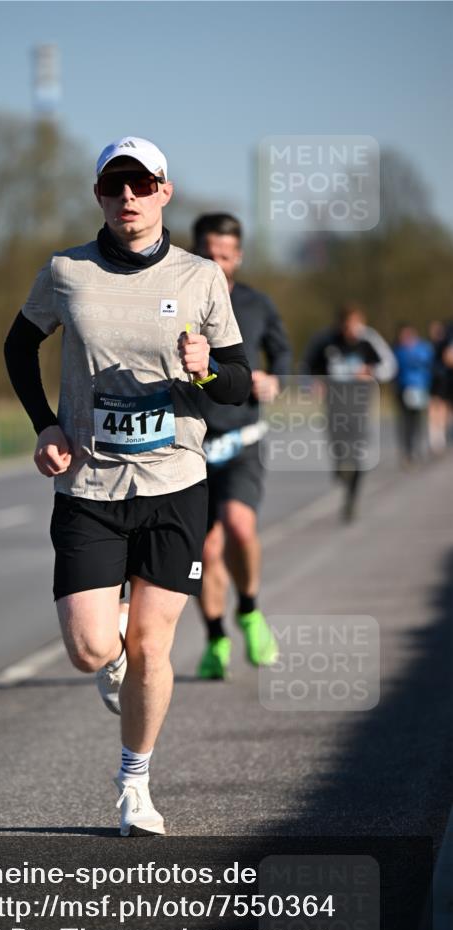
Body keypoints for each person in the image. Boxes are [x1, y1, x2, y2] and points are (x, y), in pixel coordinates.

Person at [4, 137, 251, 836]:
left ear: (165, 192)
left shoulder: (202, 277)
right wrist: (45, 425)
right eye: (115, 187)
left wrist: (204, 368)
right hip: (87, 483)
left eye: (142, 185)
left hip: (175, 481)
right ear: (99, 197)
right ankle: (107, 658)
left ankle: (133, 785)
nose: (128, 199)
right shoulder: (65, 272)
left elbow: (234, 384)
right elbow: (19, 346)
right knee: (90, 648)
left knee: (151, 645)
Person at [191, 214, 291, 680]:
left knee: (239, 526)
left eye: (226, 255)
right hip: (189, 443)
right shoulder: (175, 298)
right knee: (205, 552)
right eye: (210, 254)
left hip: (242, 438)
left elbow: (283, 353)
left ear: (239, 256)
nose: (218, 262)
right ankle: (215, 637)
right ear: (196, 250)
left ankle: (249, 610)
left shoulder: (256, 303)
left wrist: (275, 379)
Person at [302, 304, 397, 522]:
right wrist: (314, 384)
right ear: (340, 325)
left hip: (360, 404)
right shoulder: (325, 340)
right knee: (338, 446)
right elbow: (306, 368)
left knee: (356, 453)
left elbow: (390, 366)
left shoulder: (369, 340)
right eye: (347, 327)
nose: (352, 331)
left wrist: (371, 371)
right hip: (335, 404)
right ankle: (341, 471)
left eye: (356, 326)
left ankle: (352, 499)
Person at [392, 323, 434, 465]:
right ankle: (406, 451)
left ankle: (417, 448)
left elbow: (428, 364)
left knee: (417, 420)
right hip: (403, 389)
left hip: (419, 388)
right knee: (405, 421)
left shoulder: (423, 348)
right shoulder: (397, 350)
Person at [427, 319, 453, 454]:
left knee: (446, 408)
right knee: (438, 405)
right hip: (440, 378)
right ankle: (437, 437)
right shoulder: (434, 345)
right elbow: (446, 357)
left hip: (446, 378)